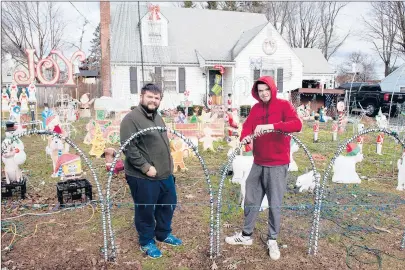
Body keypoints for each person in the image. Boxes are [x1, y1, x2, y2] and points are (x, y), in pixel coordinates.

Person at [225, 76, 302, 261]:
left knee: (274, 203)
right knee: (251, 198)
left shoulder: (283, 105)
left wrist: (272, 126)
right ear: (256, 93)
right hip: (258, 162)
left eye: (266, 90)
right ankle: (246, 235)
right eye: (260, 91)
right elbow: (248, 127)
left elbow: (297, 125)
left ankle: (273, 240)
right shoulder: (256, 108)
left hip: (277, 164)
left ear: (272, 89)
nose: (263, 93)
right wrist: (245, 137)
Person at [120, 83, 181, 259]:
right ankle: (146, 241)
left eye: (156, 98)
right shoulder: (131, 119)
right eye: (150, 97)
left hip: (164, 174)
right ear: (141, 97)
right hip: (143, 176)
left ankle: (163, 233)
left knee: (168, 204)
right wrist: (146, 167)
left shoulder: (156, 117)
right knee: (145, 210)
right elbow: (129, 147)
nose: (153, 100)